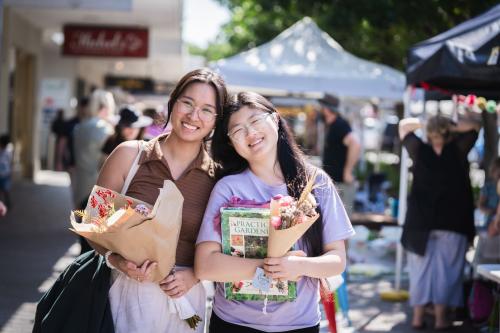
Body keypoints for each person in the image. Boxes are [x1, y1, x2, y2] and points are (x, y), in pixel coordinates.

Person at [195, 92, 355, 333]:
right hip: (233, 323)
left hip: (299, 324)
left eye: (256, 121)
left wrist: (299, 267)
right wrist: (270, 266)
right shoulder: (227, 188)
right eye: (237, 130)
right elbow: (205, 266)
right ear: (230, 142)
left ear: (276, 120)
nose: (250, 133)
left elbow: (337, 260)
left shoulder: (316, 183)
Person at [92, 68, 227, 332]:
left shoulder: (219, 177)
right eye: (187, 103)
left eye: (206, 109)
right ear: (172, 103)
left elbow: (225, 245)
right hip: (127, 291)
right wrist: (118, 261)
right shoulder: (129, 155)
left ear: (216, 121)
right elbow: (94, 223)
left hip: (187, 300)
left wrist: (195, 275)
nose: (193, 115)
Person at [399, 114, 480, 330]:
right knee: (448, 271)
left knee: (419, 271)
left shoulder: (418, 150)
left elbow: (403, 126)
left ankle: (417, 318)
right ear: (449, 132)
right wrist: (450, 123)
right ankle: (441, 318)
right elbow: (475, 124)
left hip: (419, 222)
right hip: (452, 221)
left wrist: (426, 121)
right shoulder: (459, 149)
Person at [73, 89, 115, 253]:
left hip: (80, 183)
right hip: (99, 186)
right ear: (105, 107)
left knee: (82, 236)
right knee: (95, 242)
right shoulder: (105, 130)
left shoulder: (80, 127)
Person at [319, 93, 361, 216]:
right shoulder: (333, 125)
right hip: (335, 183)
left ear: (327, 109)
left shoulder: (339, 125)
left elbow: (355, 144)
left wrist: (347, 171)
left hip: (342, 184)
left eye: (322, 108)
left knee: (341, 225)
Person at [0, 134, 12, 208]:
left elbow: (9, 162)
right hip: (4, 174)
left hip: (5, 175)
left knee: (6, 190)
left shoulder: (8, 152)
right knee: (4, 190)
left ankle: (8, 203)